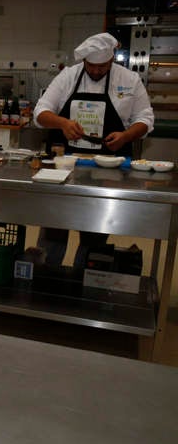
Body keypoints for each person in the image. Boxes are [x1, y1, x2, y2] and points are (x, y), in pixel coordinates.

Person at [33, 32, 155, 268]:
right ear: (84, 61)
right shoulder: (68, 76)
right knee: (55, 226)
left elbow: (146, 118)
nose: (97, 71)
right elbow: (41, 112)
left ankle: (85, 276)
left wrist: (126, 136)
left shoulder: (129, 79)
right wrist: (63, 123)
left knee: (95, 229)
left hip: (108, 169)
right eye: (92, 66)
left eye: (103, 66)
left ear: (112, 61)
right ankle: (46, 275)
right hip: (64, 166)